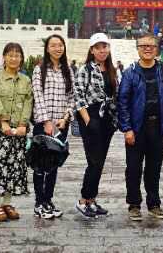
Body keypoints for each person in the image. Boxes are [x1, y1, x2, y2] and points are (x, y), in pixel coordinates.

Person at [117, 33, 163, 221]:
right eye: (143, 45)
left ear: (157, 48)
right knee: (133, 168)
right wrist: (127, 128)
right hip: (137, 128)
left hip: (157, 126)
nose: (147, 49)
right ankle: (134, 204)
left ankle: (154, 204)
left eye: (151, 45)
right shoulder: (130, 72)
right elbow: (122, 102)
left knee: (154, 167)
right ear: (137, 49)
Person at [73, 33, 119, 218]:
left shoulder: (112, 70)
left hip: (107, 119)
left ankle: (92, 200)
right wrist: (88, 121)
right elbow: (78, 96)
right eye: (98, 47)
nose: (102, 51)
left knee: (100, 162)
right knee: (94, 162)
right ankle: (83, 200)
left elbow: (115, 95)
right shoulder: (85, 69)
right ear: (92, 50)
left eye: (104, 47)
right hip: (91, 117)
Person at [0, 43, 33, 222]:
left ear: (21, 59)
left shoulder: (25, 80)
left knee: (14, 168)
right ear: (4, 57)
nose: (14, 58)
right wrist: (3, 121)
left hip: (18, 132)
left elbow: (28, 102)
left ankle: (7, 203)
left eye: (17, 55)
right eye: (10, 55)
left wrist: (23, 124)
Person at [31, 34, 75, 219]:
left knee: (53, 165)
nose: (58, 48)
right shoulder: (39, 69)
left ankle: (48, 200)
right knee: (40, 164)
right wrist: (46, 121)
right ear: (47, 48)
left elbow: (72, 97)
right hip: (43, 125)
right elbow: (38, 96)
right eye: (53, 45)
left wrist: (65, 118)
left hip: (61, 125)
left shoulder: (68, 71)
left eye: (60, 45)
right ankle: (39, 203)